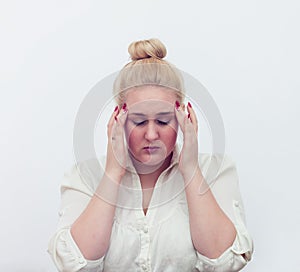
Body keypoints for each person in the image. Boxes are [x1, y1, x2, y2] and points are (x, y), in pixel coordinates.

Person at [48, 38, 253, 272]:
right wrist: (113, 173)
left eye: (164, 121)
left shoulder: (216, 171)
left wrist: (191, 170)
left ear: (181, 117)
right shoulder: (83, 176)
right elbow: (77, 264)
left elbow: (224, 261)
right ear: (119, 120)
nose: (152, 134)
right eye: (139, 121)